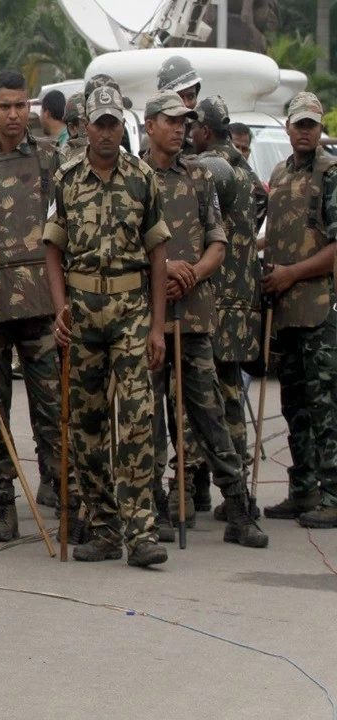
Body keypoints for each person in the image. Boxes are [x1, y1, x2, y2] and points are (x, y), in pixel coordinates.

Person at [43, 84, 170, 568]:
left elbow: (158, 255)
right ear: (84, 125)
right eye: (98, 123)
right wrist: (60, 310)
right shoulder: (67, 178)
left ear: (122, 126)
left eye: (114, 123)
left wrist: (157, 327)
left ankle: (142, 533)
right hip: (82, 314)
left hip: (131, 311)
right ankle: (103, 527)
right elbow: (52, 249)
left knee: (137, 420)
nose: (106, 132)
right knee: (86, 424)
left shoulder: (142, 177)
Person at [140, 90, 268, 548]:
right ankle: (152, 511)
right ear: (151, 124)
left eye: (186, 121)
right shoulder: (133, 176)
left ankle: (237, 508)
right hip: (148, 319)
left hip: (193, 316)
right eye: (172, 120)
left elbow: (220, 241)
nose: (181, 128)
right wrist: (163, 269)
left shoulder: (200, 176)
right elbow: (124, 245)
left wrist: (191, 272)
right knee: (148, 420)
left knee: (209, 416)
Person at [0, 70, 64, 540]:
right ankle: (5, 505)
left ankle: (61, 492)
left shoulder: (49, 159)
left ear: (32, 109)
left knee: (51, 407)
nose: (14, 115)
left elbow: (66, 230)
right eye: (5, 106)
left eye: (21, 106)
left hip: (42, 305)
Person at [260, 92, 337, 529]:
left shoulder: (331, 174)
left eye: (311, 124)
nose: (305, 131)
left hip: (321, 309)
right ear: (287, 128)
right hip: (286, 310)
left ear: (319, 127)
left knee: (325, 405)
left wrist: (292, 274)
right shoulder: (279, 174)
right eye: (298, 124)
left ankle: (333, 492)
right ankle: (303, 488)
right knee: (295, 406)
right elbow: (278, 235)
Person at [191, 96, 268, 523]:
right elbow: (258, 211)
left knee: (199, 395)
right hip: (242, 297)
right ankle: (237, 491)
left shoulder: (210, 169)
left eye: (194, 126)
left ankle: (192, 490)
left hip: (213, 296)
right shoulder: (248, 172)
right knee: (230, 395)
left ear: (206, 129)